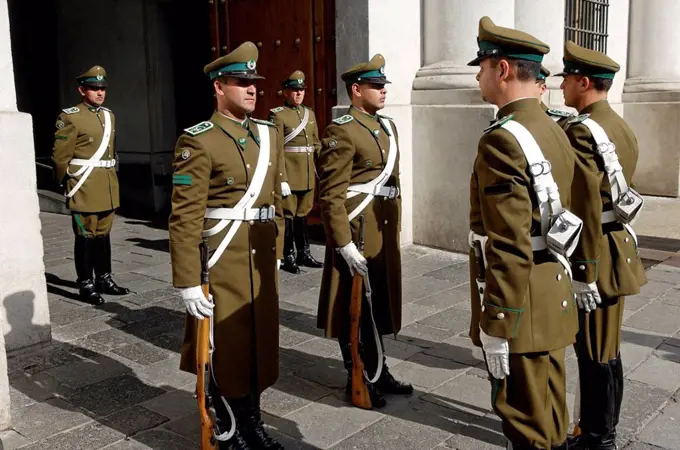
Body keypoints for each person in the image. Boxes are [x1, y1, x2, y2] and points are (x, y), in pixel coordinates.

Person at [467, 16, 580, 450]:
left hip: (521, 305)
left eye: (482, 64)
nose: (478, 74)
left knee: (527, 425)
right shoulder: (556, 127)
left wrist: (496, 323)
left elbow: (509, 243)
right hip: (552, 289)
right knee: (551, 416)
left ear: (503, 70)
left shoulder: (502, 139)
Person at [169, 41, 285, 450]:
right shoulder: (198, 140)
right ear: (219, 87)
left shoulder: (270, 134)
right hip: (221, 260)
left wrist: (276, 253)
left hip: (258, 260)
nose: (252, 89)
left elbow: (278, 204)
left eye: (254, 82)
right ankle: (230, 431)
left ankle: (253, 425)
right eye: (241, 82)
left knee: (258, 347)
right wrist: (187, 282)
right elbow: (184, 218)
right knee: (226, 348)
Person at [557, 40, 647, 450]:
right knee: (607, 345)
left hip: (597, 250)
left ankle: (596, 437)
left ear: (583, 81)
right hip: (617, 246)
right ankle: (601, 432)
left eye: (567, 80)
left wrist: (583, 270)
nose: (561, 87)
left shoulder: (581, 130)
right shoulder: (619, 124)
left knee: (593, 349)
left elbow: (588, 206)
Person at [316, 53, 412, 409]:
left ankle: (379, 370)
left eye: (383, 85)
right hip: (356, 233)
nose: (383, 90)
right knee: (352, 309)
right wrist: (342, 244)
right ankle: (358, 376)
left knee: (377, 306)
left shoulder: (387, 127)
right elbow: (331, 195)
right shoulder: (342, 131)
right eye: (375, 86)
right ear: (356, 90)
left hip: (381, 230)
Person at [52, 65, 129, 305]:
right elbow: (60, 155)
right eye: (94, 88)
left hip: (106, 184)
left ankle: (103, 279)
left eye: (102, 88)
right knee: (85, 235)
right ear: (82, 90)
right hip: (83, 184)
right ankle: (85, 284)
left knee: (103, 234)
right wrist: (64, 182)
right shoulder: (71, 116)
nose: (99, 93)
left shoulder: (109, 115)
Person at [269, 70, 323, 273]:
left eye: (301, 89)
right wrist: (281, 178)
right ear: (285, 92)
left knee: (303, 214)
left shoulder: (309, 114)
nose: (299, 93)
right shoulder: (278, 114)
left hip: (308, 174)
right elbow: (277, 149)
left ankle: (304, 253)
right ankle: (288, 255)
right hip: (290, 175)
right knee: (289, 216)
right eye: (294, 90)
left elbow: (315, 143)